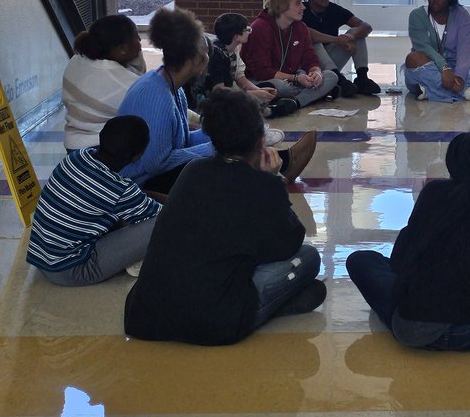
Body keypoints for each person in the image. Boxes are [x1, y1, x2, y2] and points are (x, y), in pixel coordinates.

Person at [123, 89, 327, 346]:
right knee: (308, 257)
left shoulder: (192, 170)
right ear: (259, 140)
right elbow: (290, 242)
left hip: (144, 317)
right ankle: (273, 309)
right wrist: (274, 180)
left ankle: (276, 305)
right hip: (214, 324)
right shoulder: (260, 184)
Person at [346, 132, 470, 351]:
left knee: (361, 260)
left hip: (413, 329)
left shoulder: (433, 192)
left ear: (451, 165)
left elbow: (399, 261)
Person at [119, 7, 317, 192]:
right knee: (226, 159)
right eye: (206, 51)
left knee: (233, 143)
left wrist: (227, 137)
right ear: (195, 59)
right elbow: (155, 164)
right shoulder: (156, 94)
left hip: (156, 172)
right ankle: (282, 165)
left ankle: (278, 162)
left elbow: (181, 141)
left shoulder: (169, 84)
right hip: (142, 182)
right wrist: (215, 147)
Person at [28, 115, 162, 286]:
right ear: (137, 156)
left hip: (43, 258)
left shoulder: (77, 157)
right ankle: (138, 259)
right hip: (72, 270)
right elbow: (165, 214)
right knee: (162, 223)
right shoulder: (118, 189)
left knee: (124, 213)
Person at [243, 0, 340, 108]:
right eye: (298, 3)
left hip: (294, 79)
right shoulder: (260, 27)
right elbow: (261, 72)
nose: (303, 7)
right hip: (264, 80)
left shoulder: (301, 27)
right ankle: (313, 95)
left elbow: (309, 58)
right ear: (283, 5)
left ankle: (294, 102)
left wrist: (316, 72)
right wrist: (296, 78)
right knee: (281, 87)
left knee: (331, 76)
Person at [62, 15, 145, 150]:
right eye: (136, 37)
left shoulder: (77, 60)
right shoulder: (123, 82)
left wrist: (133, 51)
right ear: (122, 49)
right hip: (100, 149)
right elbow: (159, 107)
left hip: (72, 143)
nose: (141, 41)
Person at [297, 0, 381, 96]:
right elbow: (307, 33)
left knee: (356, 33)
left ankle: (362, 78)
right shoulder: (300, 11)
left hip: (331, 62)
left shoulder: (333, 9)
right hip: (309, 66)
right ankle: (340, 81)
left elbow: (366, 26)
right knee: (314, 42)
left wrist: (350, 36)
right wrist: (337, 40)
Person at [205, 13, 298, 118]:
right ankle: (264, 111)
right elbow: (220, 91)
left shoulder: (233, 50)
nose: (249, 32)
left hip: (232, 89)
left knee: (269, 88)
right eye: (246, 30)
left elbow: (240, 78)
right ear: (236, 36)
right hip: (219, 98)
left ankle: (262, 106)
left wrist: (258, 91)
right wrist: (253, 94)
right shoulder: (217, 55)